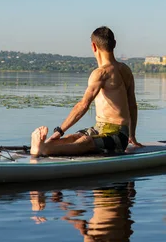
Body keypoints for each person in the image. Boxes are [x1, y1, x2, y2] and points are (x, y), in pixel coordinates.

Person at [30, 26, 142, 156]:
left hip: (117, 135)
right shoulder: (126, 70)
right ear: (114, 44)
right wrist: (132, 135)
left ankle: (44, 149)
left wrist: (59, 130)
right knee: (73, 138)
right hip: (100, 128)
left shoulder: (101, 73)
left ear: (93, 46)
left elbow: (83, 105)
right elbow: (132, 106)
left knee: (86, 141)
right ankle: (45, 145)